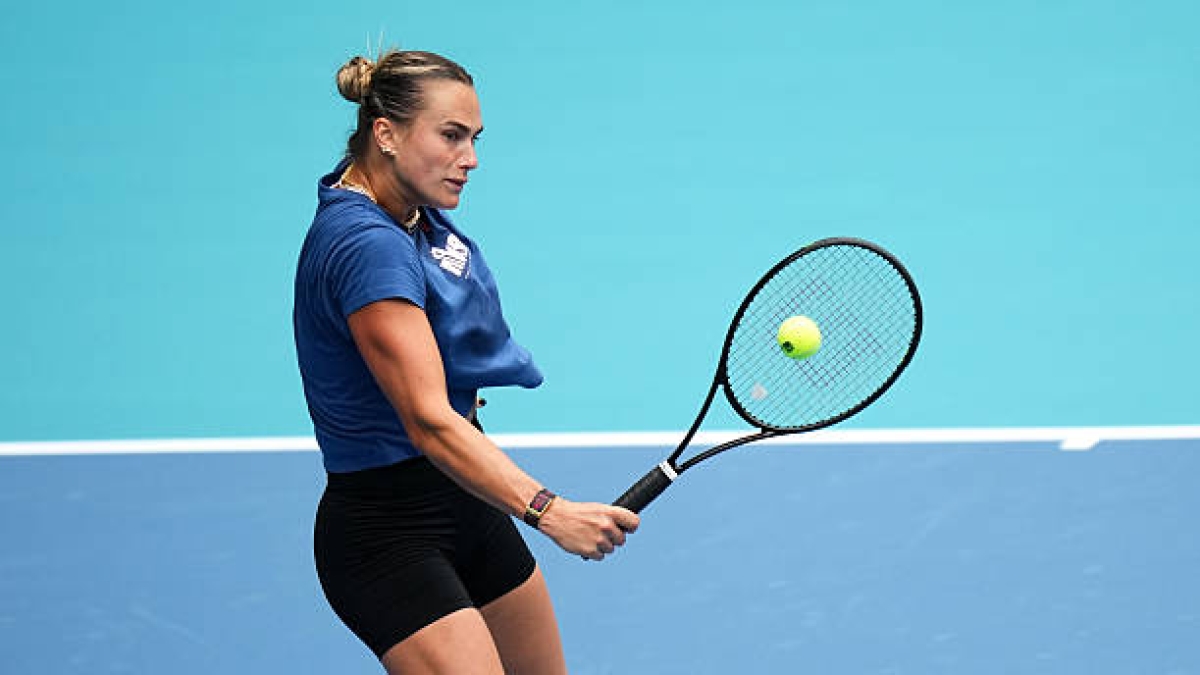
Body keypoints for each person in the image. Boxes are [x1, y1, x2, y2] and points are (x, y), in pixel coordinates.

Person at [292, 49, 640, 674]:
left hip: (466, 504)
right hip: (387, 536)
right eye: (451, 136)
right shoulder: (367, 248)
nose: (471, 158)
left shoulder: (406, 215)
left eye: (474, 138)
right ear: (386, 133)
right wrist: (550, 511)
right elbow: (427, 422)